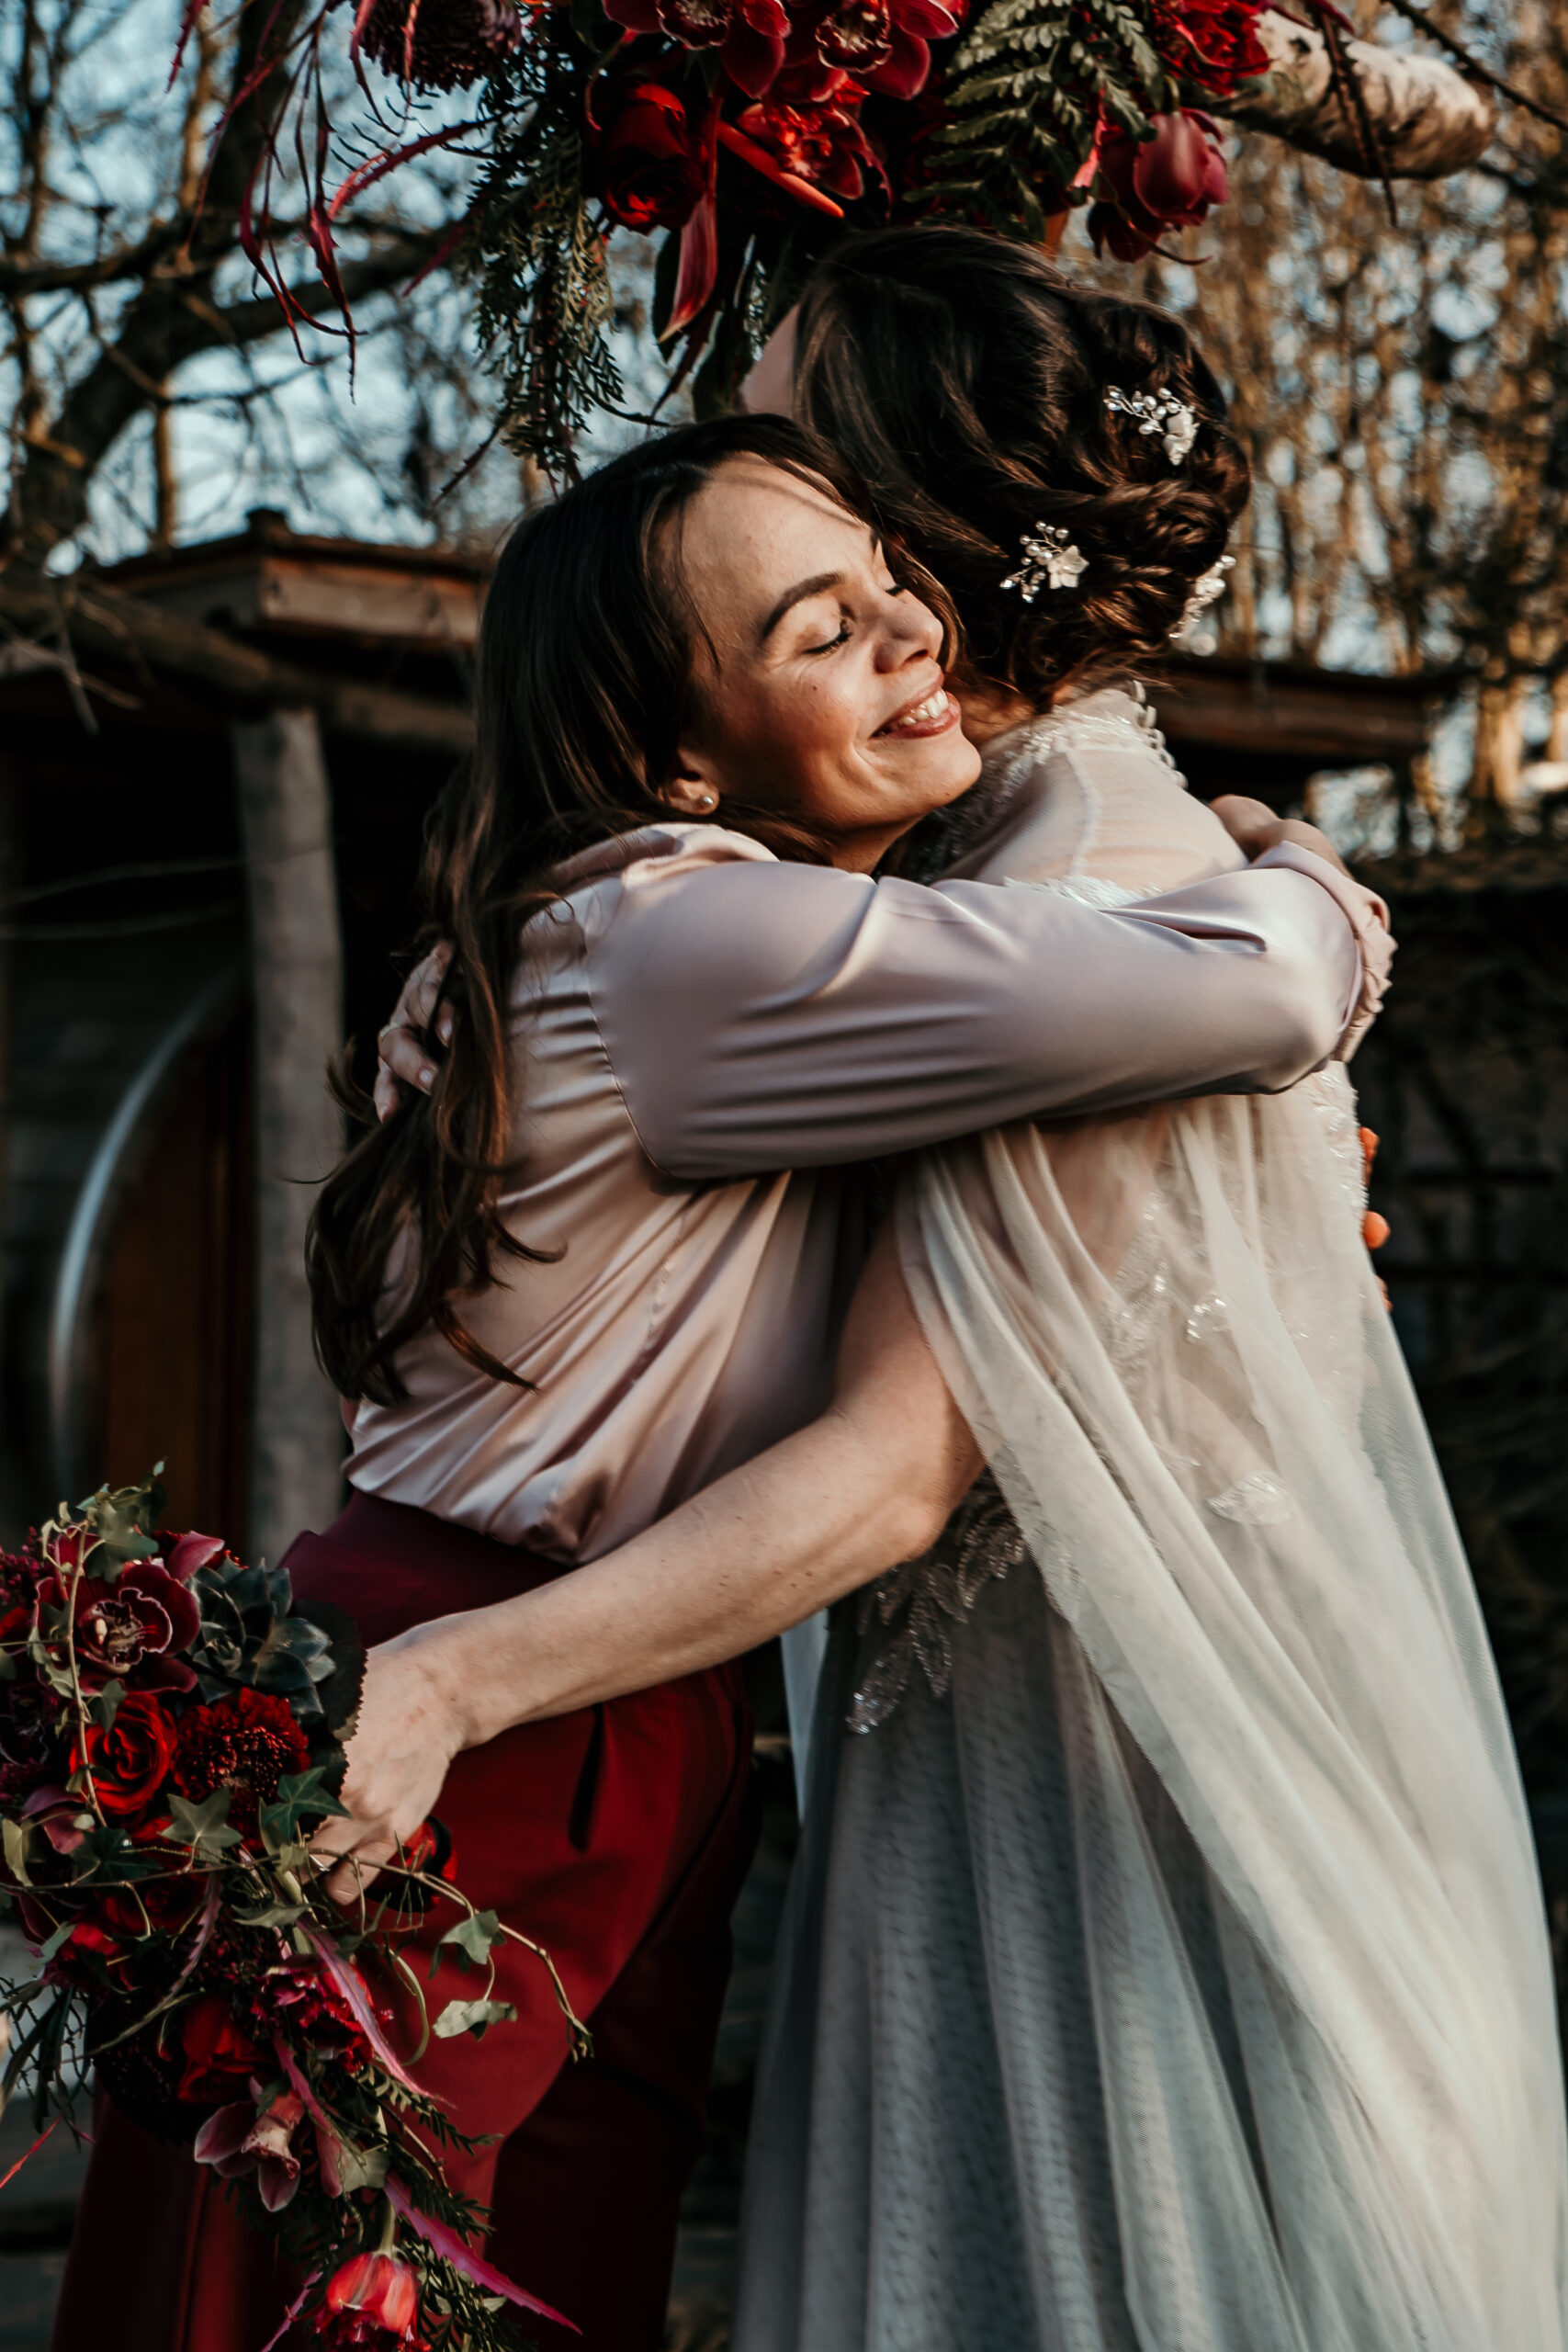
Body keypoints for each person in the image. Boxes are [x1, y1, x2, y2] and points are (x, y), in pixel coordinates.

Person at [360, 232, 1566, 2350]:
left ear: (920, 529)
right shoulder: (955, 881)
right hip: (1033, 1738)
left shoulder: (1058, 878)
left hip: (1107, 1798)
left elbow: (894, 1462)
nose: (757, 460)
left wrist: (1311, 919)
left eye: (798, 432)